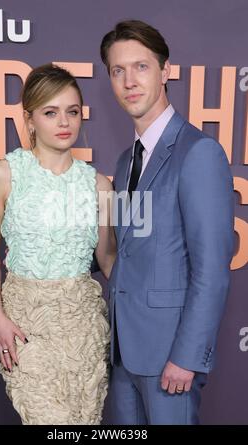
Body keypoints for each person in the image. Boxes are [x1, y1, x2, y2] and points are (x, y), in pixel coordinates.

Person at [100, 20, 234, 425]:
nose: (129, 81)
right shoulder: (125, 162)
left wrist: (187, 357)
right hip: (123, 354)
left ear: (166, 71)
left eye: (141, 67)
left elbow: (211, 270)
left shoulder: (199, 153)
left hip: (170, 359)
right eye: (118, 71)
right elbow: (127, 250)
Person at [0, 63, 116, 425]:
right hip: (25, 325)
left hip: (83, 326)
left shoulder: (99, 185)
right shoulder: (3, 175)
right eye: (50, 112)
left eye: (72, 112)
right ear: (30, 119)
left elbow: (107, 259)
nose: (64, 122)